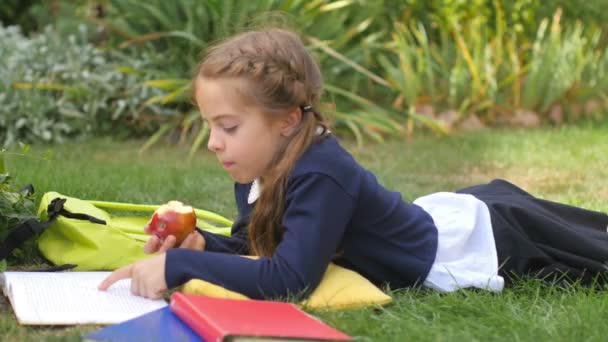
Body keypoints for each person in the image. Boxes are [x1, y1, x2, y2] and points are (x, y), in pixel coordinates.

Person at [98, 28, 608, 300]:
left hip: (478, 242)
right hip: (426, 222)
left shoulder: (321, 172)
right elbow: (265, 249)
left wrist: (179, 265)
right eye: (210, 126)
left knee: (593, 254)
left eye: (228, 127)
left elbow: (287, 279)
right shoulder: (257, 170)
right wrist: (203, 244)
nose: (213, 142)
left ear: (286, 120)